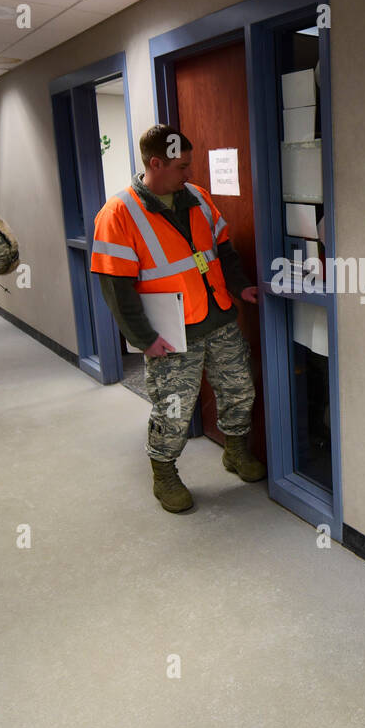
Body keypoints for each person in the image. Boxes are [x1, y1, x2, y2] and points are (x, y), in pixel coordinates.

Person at [91, 125, 266, 512]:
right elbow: (116, 289)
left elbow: (224, 249)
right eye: (182, 165)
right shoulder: (118, 214)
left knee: (240, 390)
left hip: (218, 318)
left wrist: (240, 287)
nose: (190, 173)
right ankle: (164, 473)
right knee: (173, 409)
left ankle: (235, 451)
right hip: (170, 334)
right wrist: (143, 339)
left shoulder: (198, 198)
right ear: (156, 163)